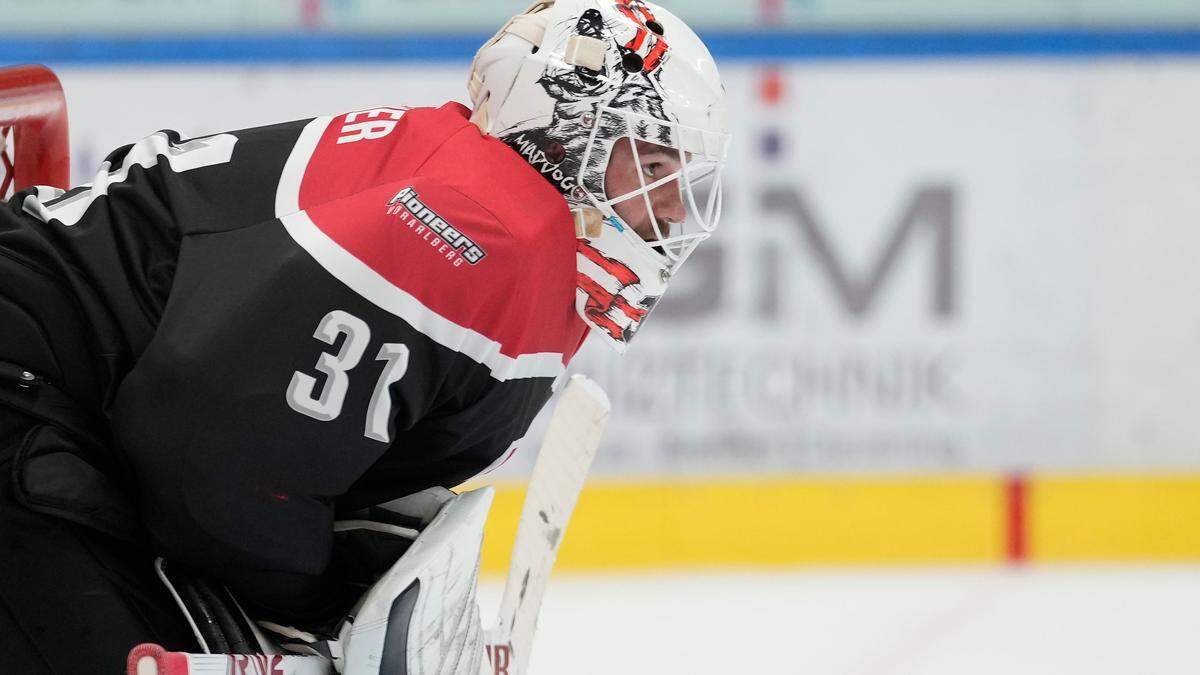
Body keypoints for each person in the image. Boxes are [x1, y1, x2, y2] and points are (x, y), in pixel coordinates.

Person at [0, 0, 728, 671]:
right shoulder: (479, 231)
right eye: (653, 163)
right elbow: (208, 461)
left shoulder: (508, 221)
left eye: (681, 173)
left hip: (75, 401)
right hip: (33, 386)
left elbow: (267, 445)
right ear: (565, 131)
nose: (669, 206)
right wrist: (324, 603)